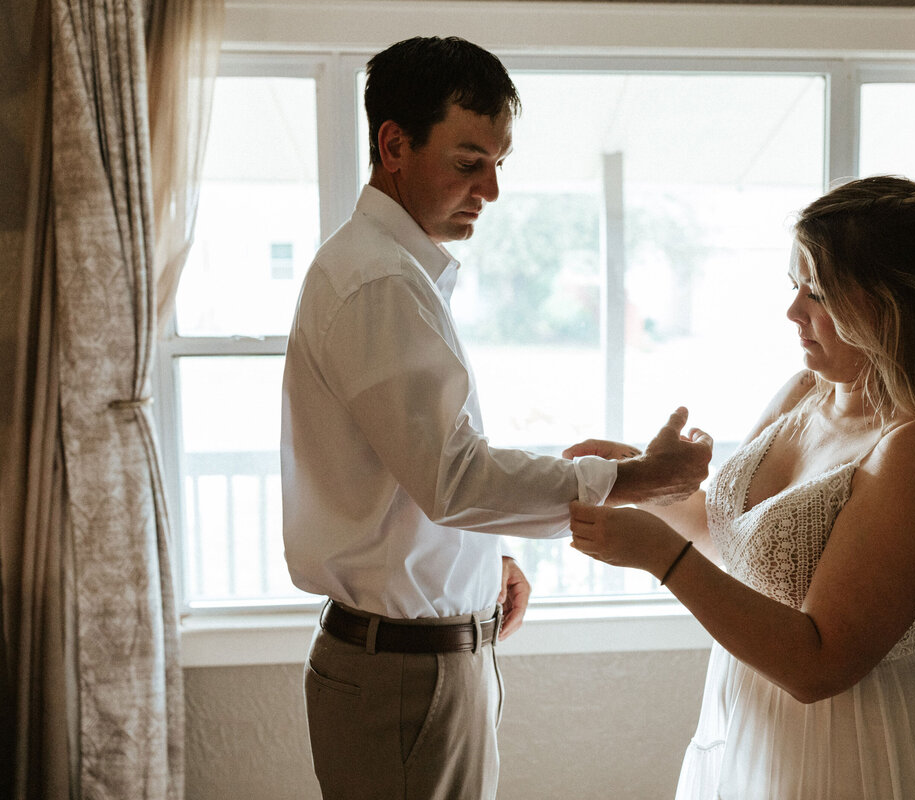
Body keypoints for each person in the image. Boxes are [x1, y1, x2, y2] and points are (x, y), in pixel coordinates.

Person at [280, 36, 712, 800]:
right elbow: (452, 478)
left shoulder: (394, 272)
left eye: (499, 165)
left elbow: (409, 476)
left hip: (421, 663)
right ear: (394, 146)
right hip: (405, 679)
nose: (491, 190)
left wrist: (483, 565)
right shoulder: (380, 281)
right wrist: (632, 479)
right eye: (468, 161)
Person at [569, 175, 915, 799]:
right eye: (795, 286)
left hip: (854, 748)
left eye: (818, 292)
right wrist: (642, 481)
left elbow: (819, 663)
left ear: (888, 302)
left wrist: (659, 557)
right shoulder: (806, 392)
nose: (794, 310)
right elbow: (736, 545)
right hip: (750, 725)